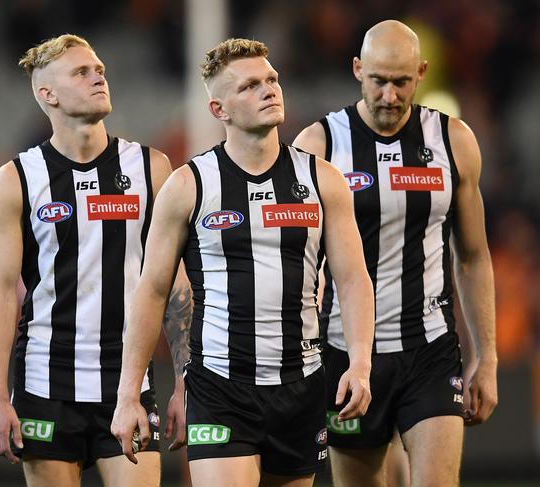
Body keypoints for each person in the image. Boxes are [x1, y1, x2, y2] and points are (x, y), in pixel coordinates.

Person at [110, 38, 374, 487]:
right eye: (251, 85)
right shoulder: (188, 186)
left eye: (271, 79)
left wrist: (361, 363)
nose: (269, 89)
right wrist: (128, 393)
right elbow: (152, 292)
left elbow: (352, 280)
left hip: (302, 384)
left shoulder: (322, 180)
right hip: (221, 387)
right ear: (219, 110)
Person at [293, 20, 498, 487]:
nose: (389, 95)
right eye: (378, 81)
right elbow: (297, 267)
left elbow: (472, 256)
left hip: (430, 351)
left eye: (401, 82)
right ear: (357, 69)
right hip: (346, 357)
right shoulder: (319, 146)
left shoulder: (454, 141)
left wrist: (486, 357)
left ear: (421, 73)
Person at [0, 34, 191, 487]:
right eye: (82, 71)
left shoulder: (152, 168)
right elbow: (0, 292)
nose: (99, 76)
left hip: (128, 385)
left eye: (99, 68)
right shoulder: (17, 178)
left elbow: (177, 286)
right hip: (45, 384)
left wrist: (184, 380)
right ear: (48, 94)